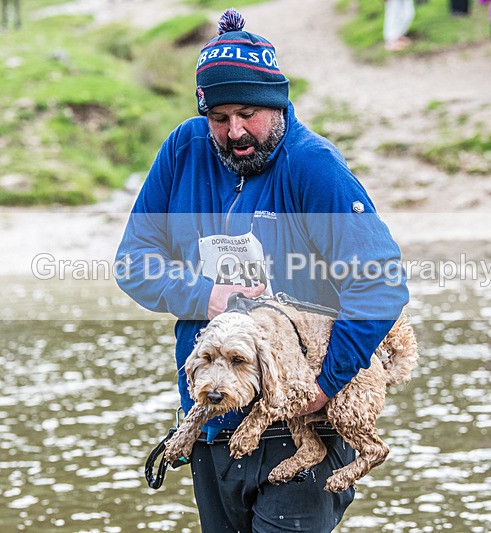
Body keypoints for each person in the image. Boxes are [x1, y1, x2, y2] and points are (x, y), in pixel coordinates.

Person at [115, 8, 410, 532]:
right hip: (209, 416)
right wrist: (207, 297)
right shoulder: (185, 148)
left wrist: (324, 386)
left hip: (300, 424)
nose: (234, 133)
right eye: (219, 118)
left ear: (278, 103)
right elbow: (134, 262)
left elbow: (381, 283)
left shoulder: (313, 166)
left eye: (248, 114)